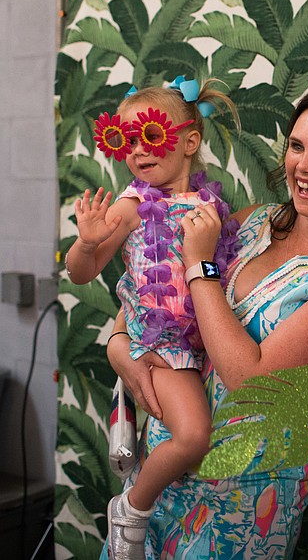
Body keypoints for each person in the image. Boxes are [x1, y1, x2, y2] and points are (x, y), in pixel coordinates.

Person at [101, 84, 308, 559]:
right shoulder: (250, 222)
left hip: (243, 506)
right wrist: (118, 347)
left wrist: (200, 267)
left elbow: (249, 381)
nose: (303, 165)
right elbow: (151, 297)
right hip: (161, 474)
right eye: (297, 146)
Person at [67, 77, 242, 559]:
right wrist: (86, 242)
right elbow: (81, 274)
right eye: (127, 140)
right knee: (192, 437)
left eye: (153, 135)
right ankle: (132, 508)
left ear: (190, 141)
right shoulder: (132, 206)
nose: (139, 151)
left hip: (201, 345)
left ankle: (128, 409)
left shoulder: (212, 204)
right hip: (161, 347)